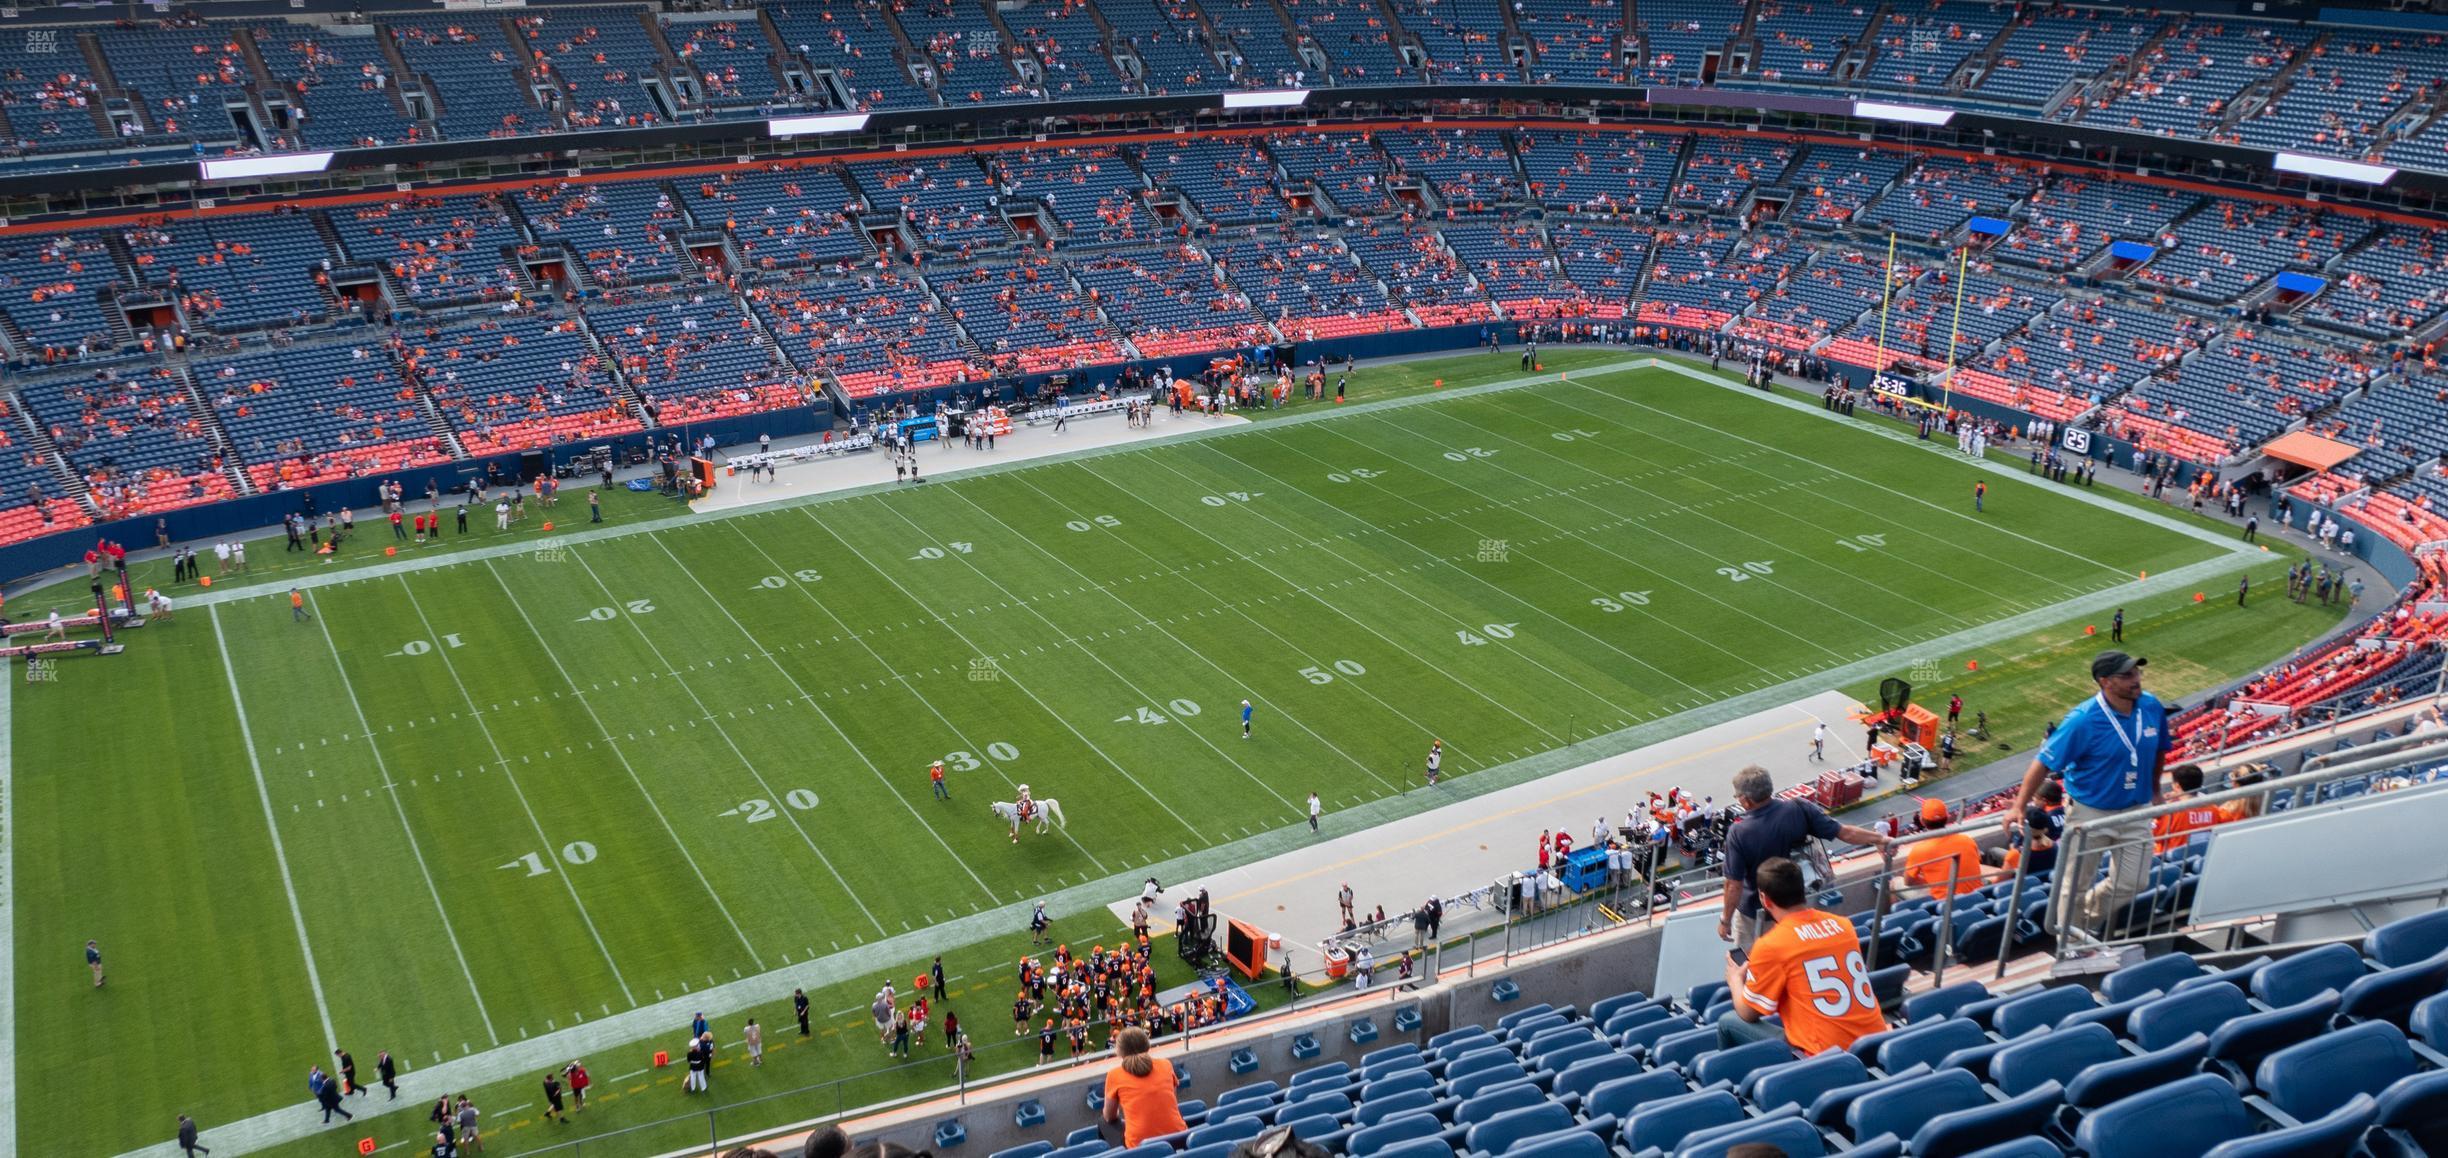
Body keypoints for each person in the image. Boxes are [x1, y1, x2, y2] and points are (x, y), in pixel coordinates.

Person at [2006, 651, 2166, 965]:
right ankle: (2069, 943)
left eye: (2136, 673)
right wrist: (2018, 805)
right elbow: (2044, 762)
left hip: (2137, 808)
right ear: (2105, 682)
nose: (2136, 680)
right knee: (2075, 883)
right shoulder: (2083, 719)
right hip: (2090, 812)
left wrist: (2157, 790)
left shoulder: (2151, 705)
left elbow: (2159, 749)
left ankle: (2081, 925)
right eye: (2127, 675)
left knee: (2135, 881)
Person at [1716, 857, 1888, 1054]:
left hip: (1826, 1056)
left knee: (1727, 1022)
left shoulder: (1771, 945)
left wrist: (1735, 980)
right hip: (1875, 1043)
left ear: (1765, 899)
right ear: (1802, 890)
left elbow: (1747, 1013)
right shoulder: (1843, 925)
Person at [1718, 765, 1892, 951]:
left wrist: (1725, 920)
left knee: (1751, 966)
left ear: (1745, 800)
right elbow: (1845, 833)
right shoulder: (1799, 808)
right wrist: (1879, 839)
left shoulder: (1739, 832)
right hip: (1795, 908)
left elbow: (1734, 885)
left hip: (1755, 914)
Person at [1101, 1026, 1189, 1146]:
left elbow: (1109, 1117)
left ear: (1120, 1051)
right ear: (1147, 1045)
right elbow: (1172, 1101)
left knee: (1103, 1122)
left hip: (1141, 1148)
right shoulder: (1166, 1065)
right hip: (1180, 1138)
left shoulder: (1114, 1075)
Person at [1902, 799, 1985, 901]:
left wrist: (1931, 880)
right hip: (1977, 898)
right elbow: (1977, 862)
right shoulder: (1967, 840)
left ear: (1922, 822)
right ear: (1947, 818)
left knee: (1894, 883)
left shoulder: (1919, 850)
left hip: (1946, 904)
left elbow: (1908, 882)